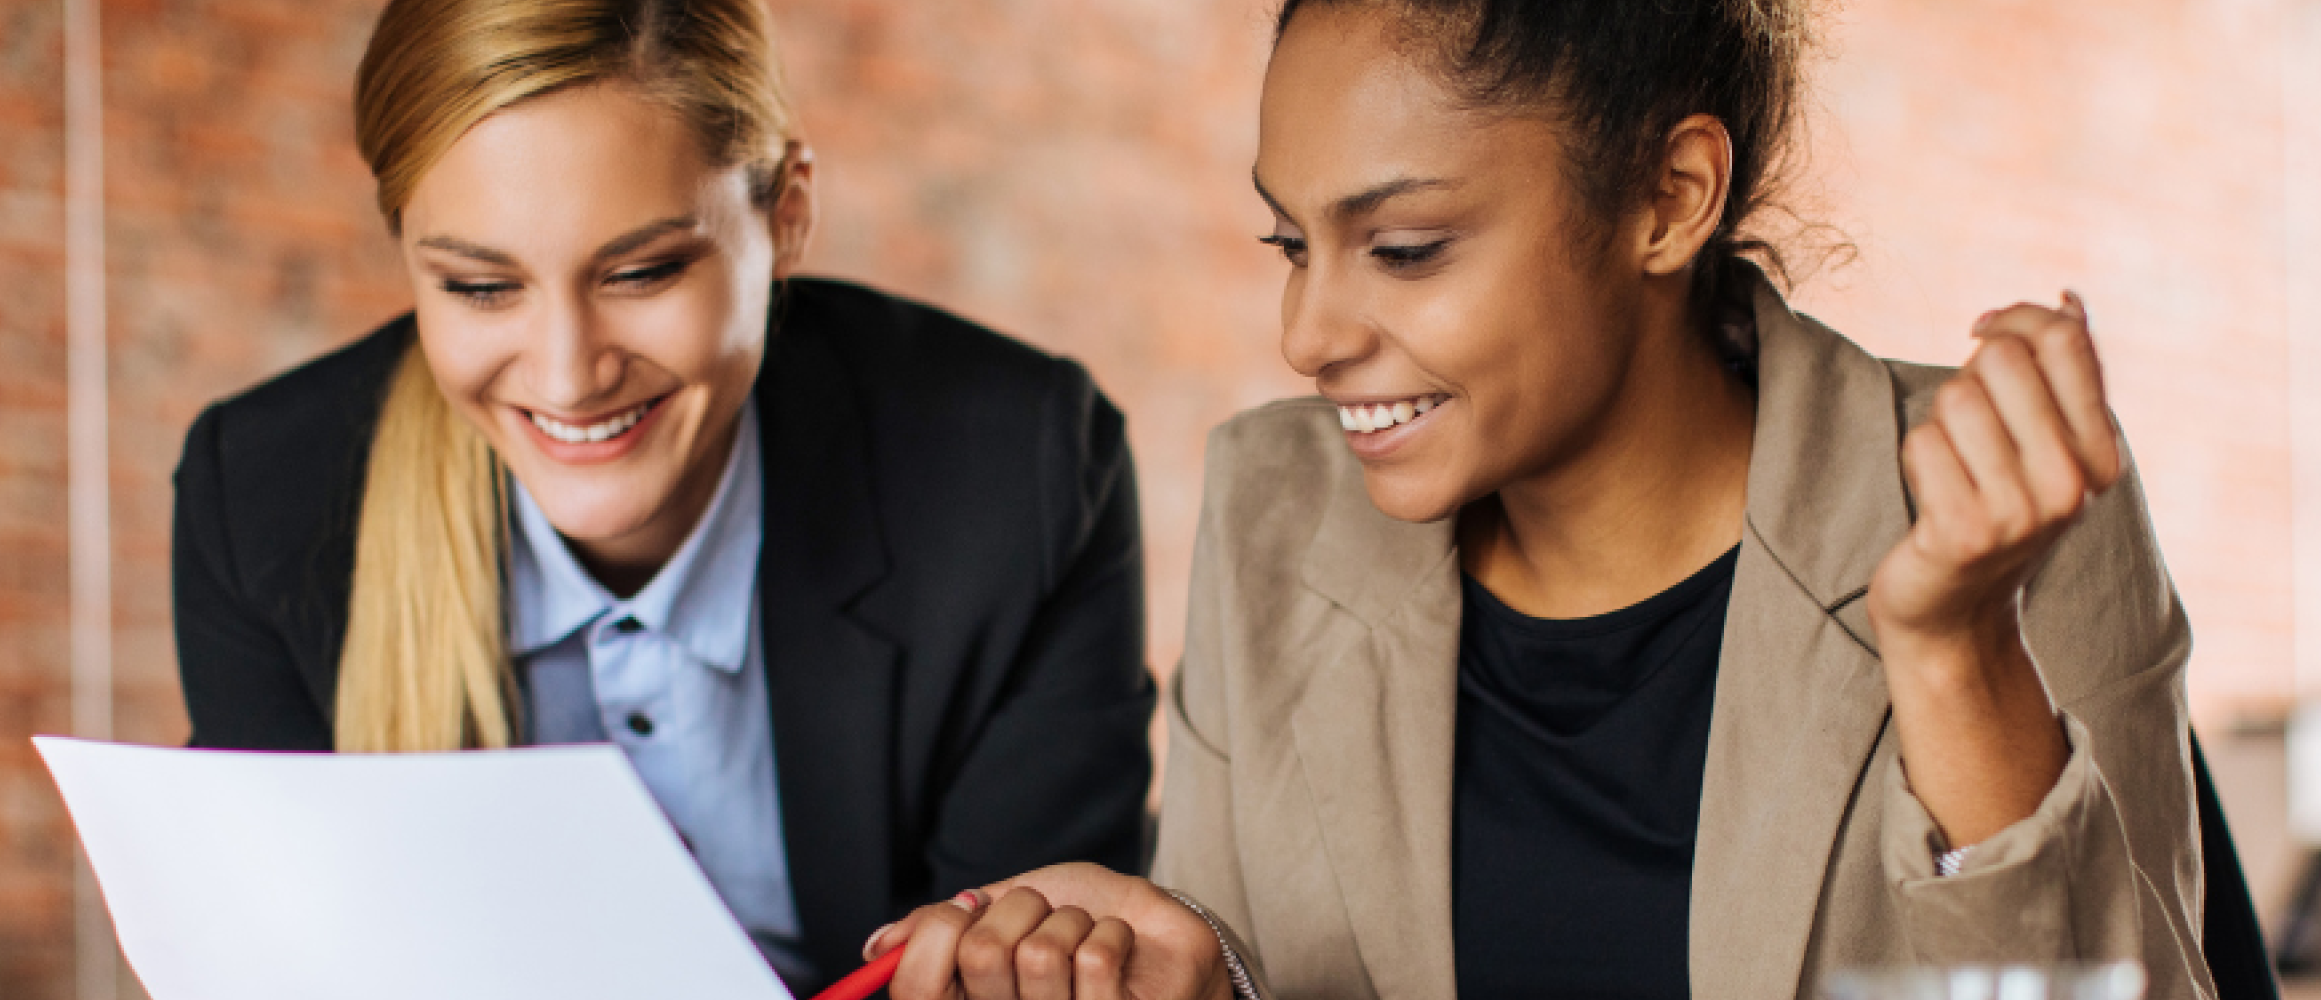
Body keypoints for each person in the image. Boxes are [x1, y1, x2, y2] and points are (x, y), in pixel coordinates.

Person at [865, 1, 2214, 998]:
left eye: (1403, 248)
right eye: (1292, 243)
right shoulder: (1276, 508)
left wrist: (1957, 656)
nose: (1308, 331)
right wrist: (1209, 984)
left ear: (1669, 199)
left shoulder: (2001, 507)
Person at [166, 0, 1155, 990]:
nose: (565, 378)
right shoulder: (259, 502)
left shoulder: (1019, 477)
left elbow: (1015, 966)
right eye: (477, 286)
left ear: (787, 214)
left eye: (642, 272)